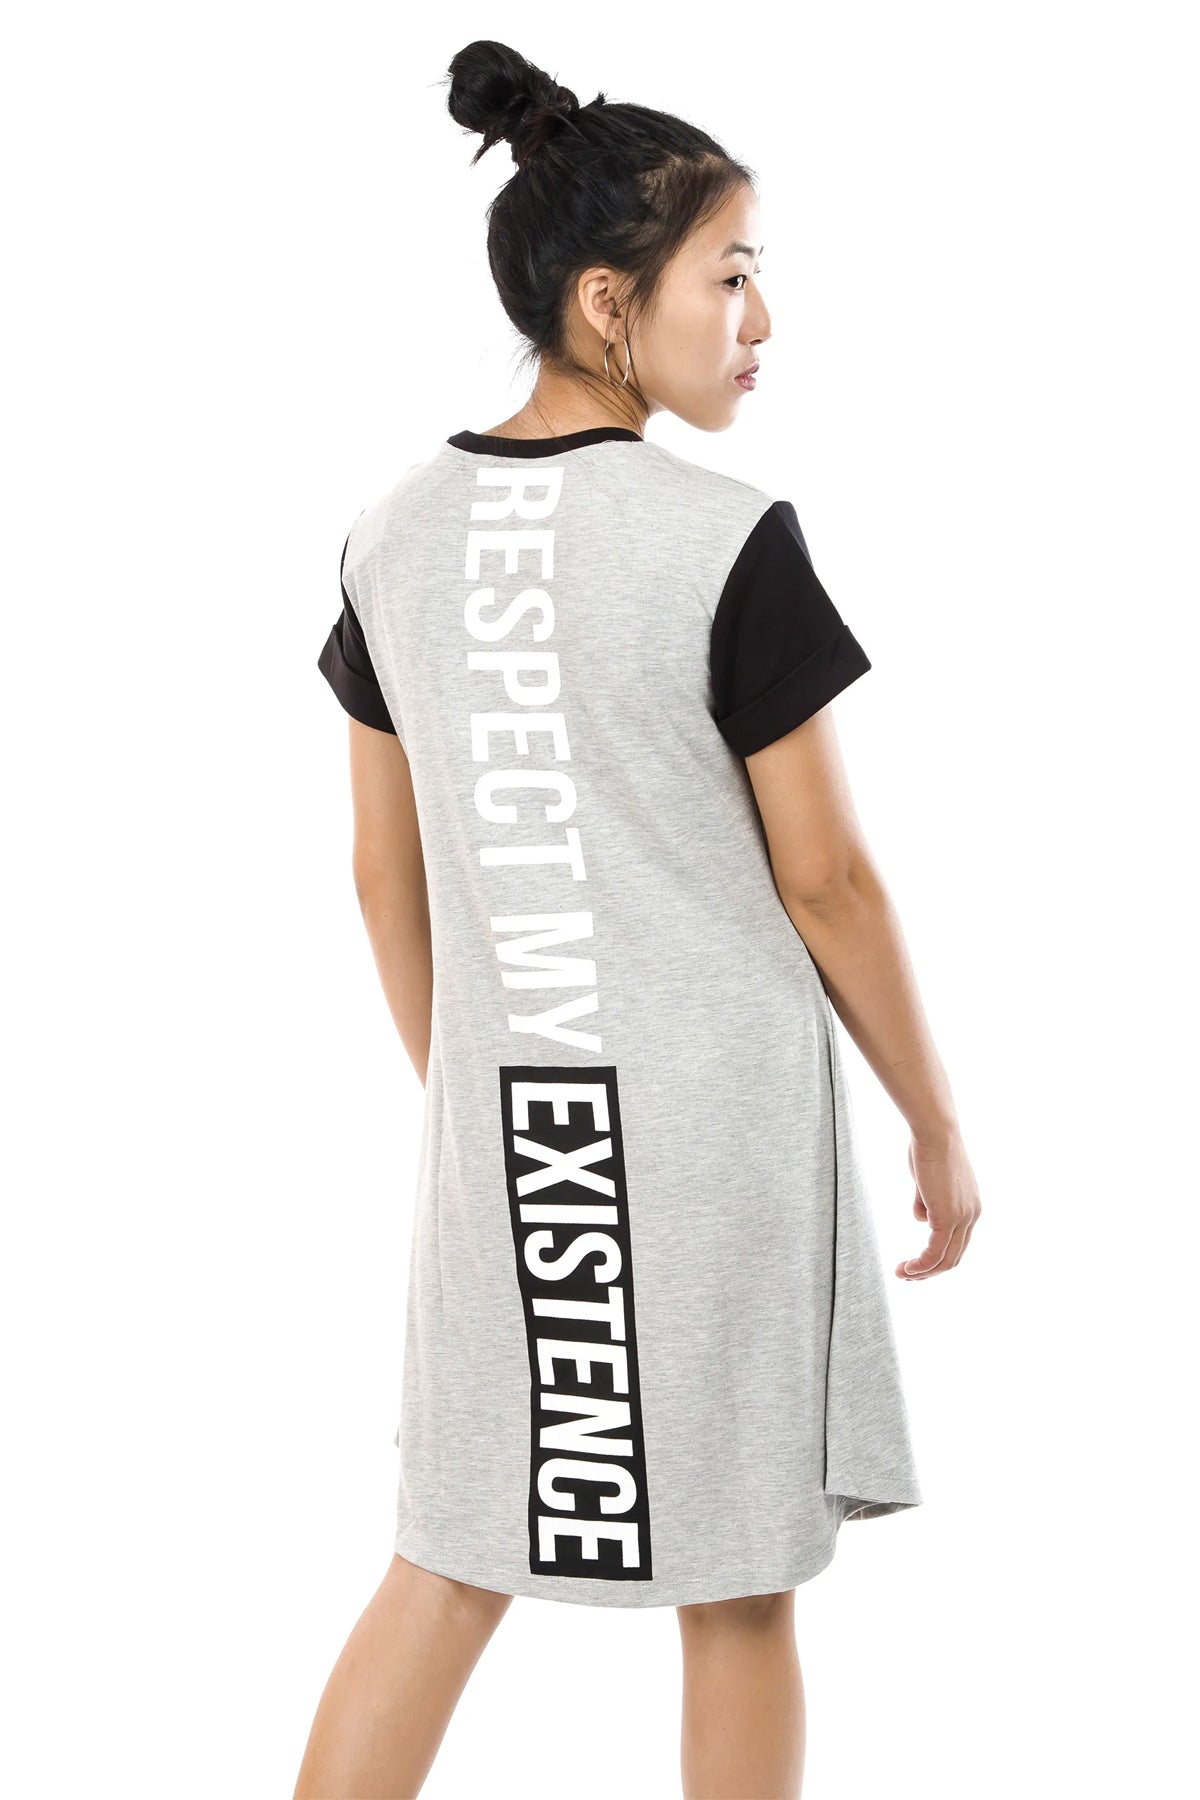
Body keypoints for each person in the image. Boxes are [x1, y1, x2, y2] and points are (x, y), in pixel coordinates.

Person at [295, 38, 981, 1800]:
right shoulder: (727, 540)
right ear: (611, 305)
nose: (762, 320)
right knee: (735, 1586)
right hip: (718, 1136)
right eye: (729, 276)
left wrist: (475, 1090)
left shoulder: (389, 536)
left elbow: (383, 871)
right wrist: (934, 1118)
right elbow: (826, 879)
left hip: (521, 1134)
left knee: (451, 1554)